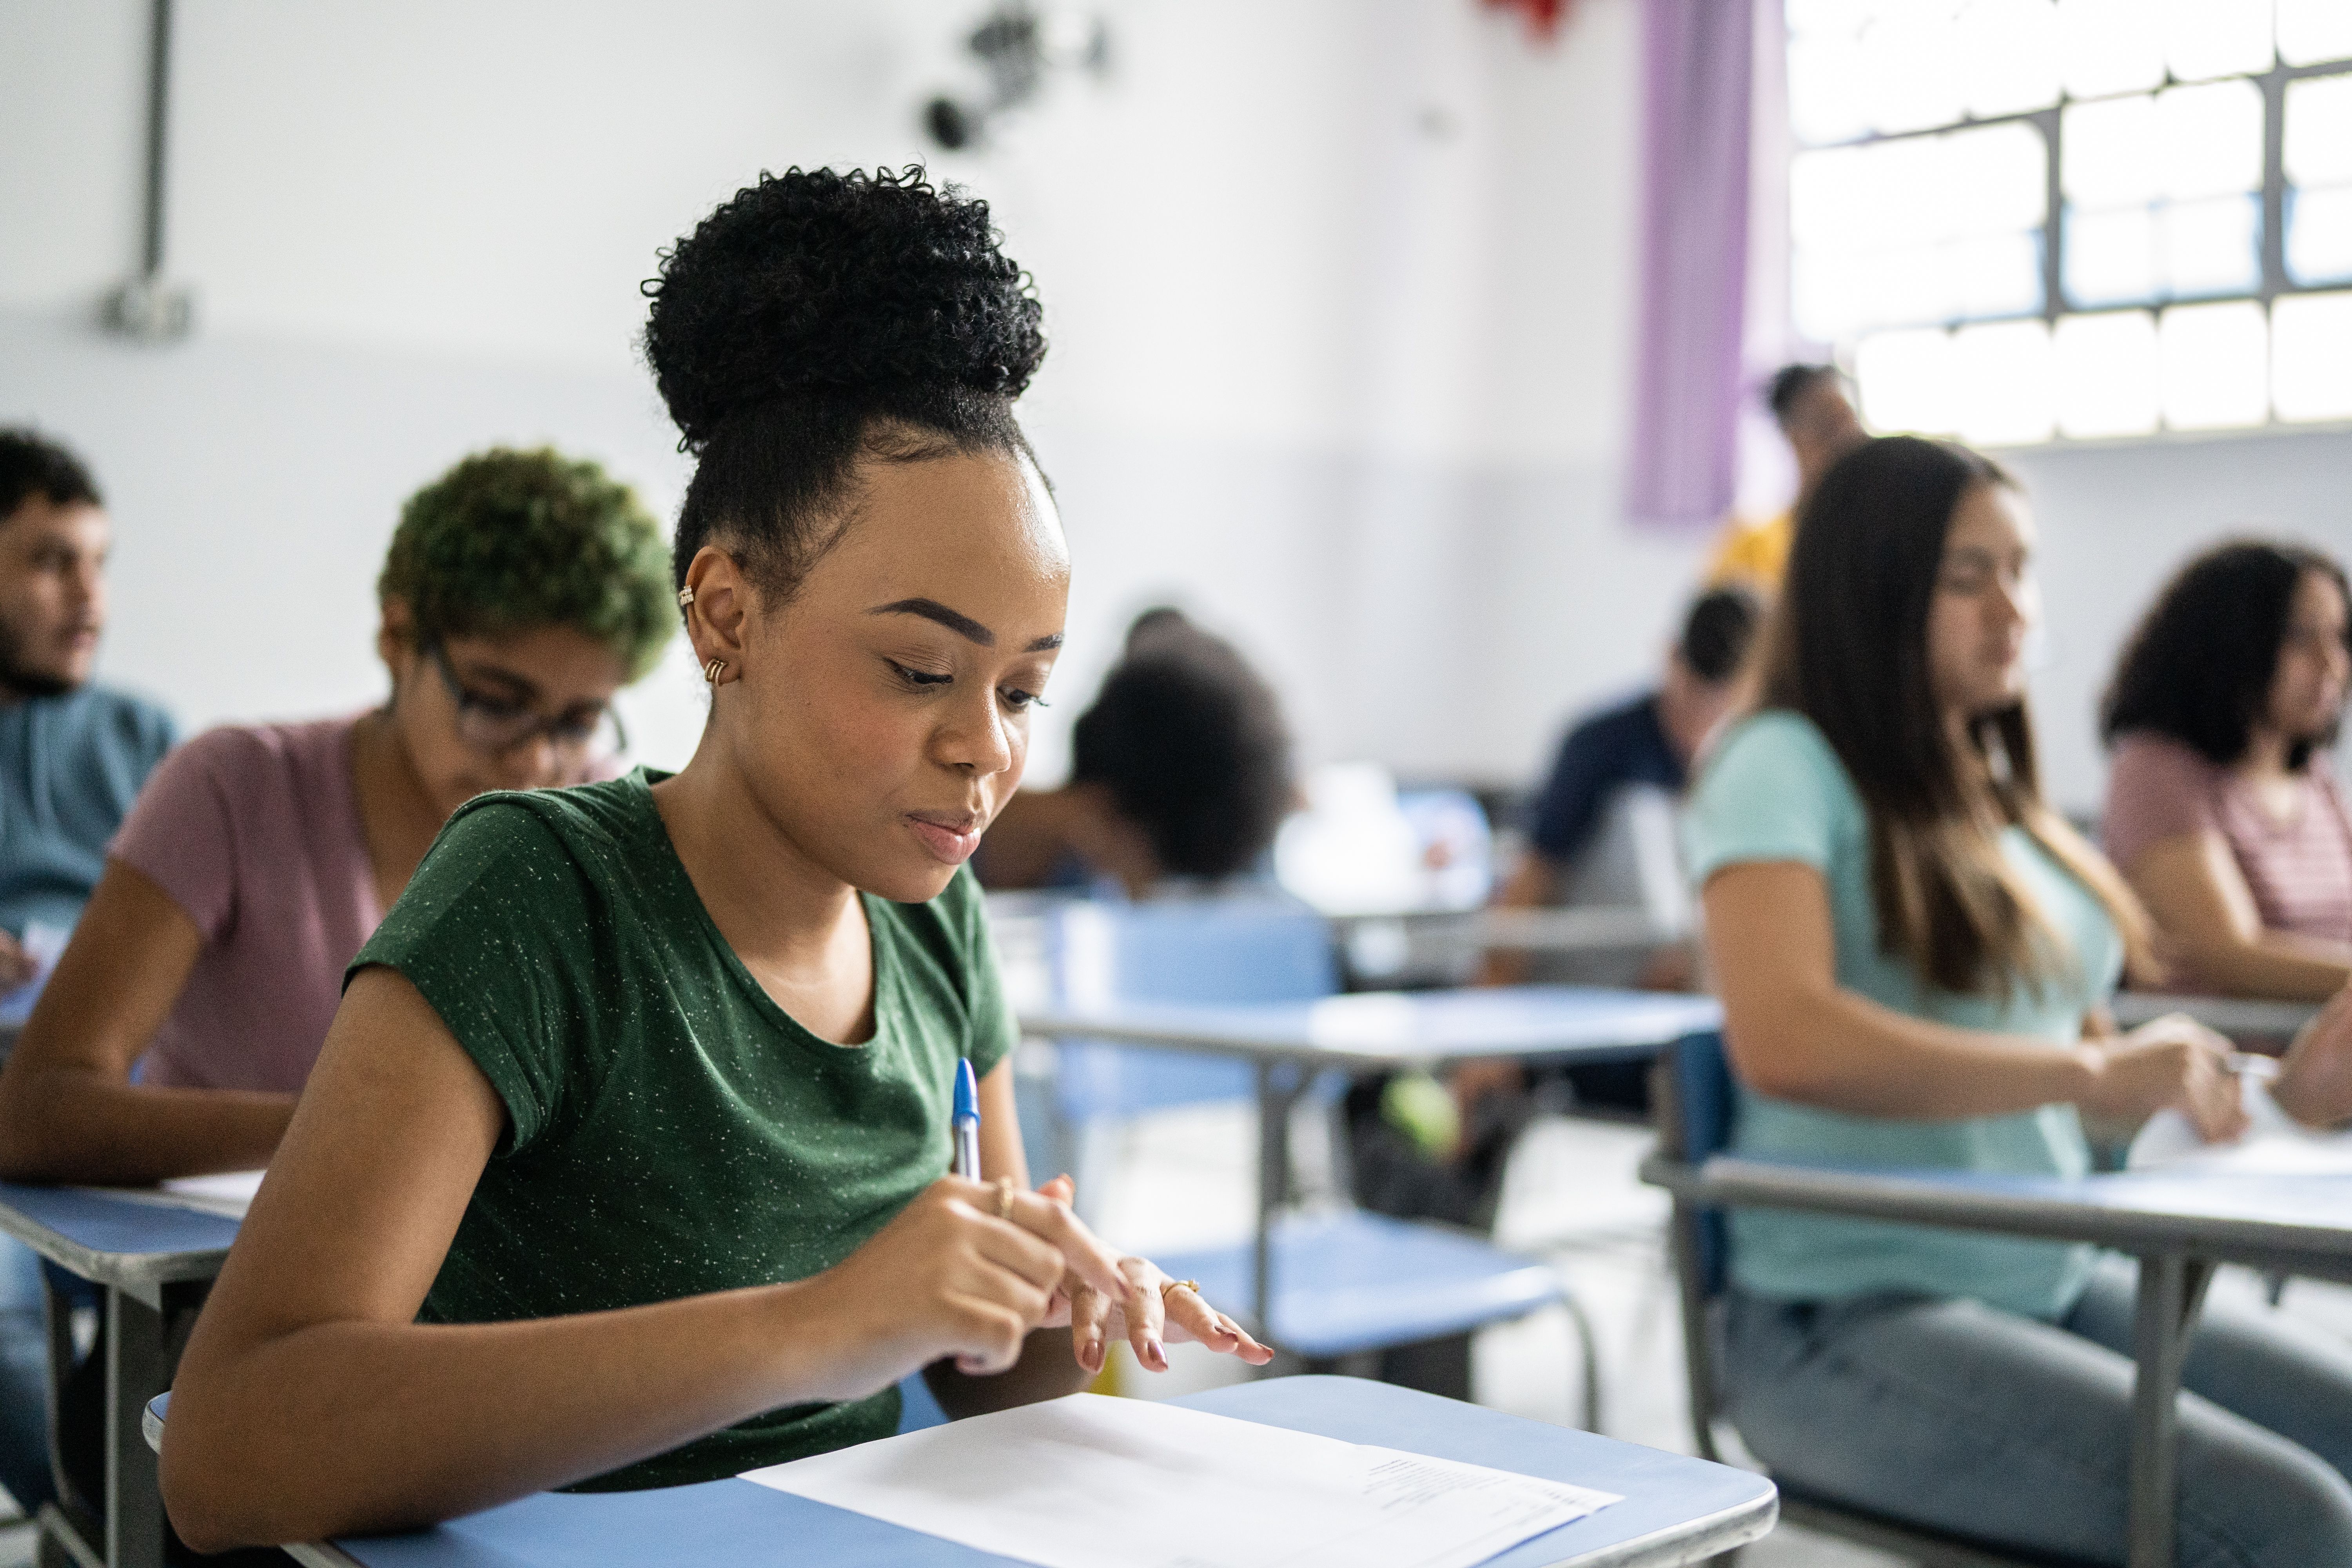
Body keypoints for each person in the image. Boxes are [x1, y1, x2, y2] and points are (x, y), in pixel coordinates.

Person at [158, 167, 1270, 1553]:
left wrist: (1052, 1301)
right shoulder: (538, 895)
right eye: (921, 669)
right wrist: (817, 1326)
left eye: (1024, 690)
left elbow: (983, 1381)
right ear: (726, 616)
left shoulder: (936, 928)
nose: (985, 748)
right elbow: (230, 1447)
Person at [1687, 434, 2352, 1563]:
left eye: (2021, 569)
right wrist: (2091, 1073)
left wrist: (2278, 1097)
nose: (2014, 609)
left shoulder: (1989, 789)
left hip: (2046, 1268)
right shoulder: (1779, 761)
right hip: (1843, 1317)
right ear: (1874, 588)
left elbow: (2082, 1093)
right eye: (1969, 576)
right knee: (2294, 1524)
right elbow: (1785, 1040)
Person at [0, 446, 671, 1189]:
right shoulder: (235, 788)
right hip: (216, 1250)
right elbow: (36, 1114)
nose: (537, 762)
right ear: (398, 639)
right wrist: (370, 1128)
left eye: (578, 721)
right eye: (497, 703)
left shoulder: (593, 820)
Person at [0, 430, 175, 1523]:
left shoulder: (149, 738)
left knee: (188, 1301)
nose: (89, 597)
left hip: (126, 1103)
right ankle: (87, 1528)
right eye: (50, 561)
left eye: (99, 563)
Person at [2102, 541, 2352, 1002]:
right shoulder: (2156, 769)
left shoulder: (2313, 778)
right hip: (2231, 1043)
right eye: (2300, 637)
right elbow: (2228, 955)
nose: (2332, 664)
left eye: (2338, 637)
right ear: (2232, 642)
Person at [1481, 585, 1760, 991]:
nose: (1701, 726)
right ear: (1670, 658)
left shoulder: (1749, 760)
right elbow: (1535, 875)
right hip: (1583, 984)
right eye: (1693, 701)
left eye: (1719, 710)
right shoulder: (1600, 746)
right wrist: (1494, 988)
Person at [975, 607, 1293, 897]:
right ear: (1115, 827)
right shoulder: (951, 886)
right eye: (1160, 876)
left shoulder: (1077, 885)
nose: (1147, 894)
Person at [1702, 363, 1866, 593]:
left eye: (1851, 423)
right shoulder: (1753, 546)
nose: (1848, 441)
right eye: (1829, 427)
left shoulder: (1885, 529)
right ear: (1792, 439)